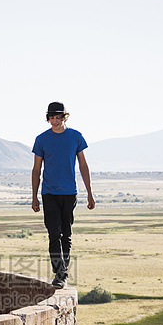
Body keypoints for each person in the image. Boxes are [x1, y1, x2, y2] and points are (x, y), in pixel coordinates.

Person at [31, 101, 95, 288]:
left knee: (66, 234)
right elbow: (36, 170)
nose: (54, 120)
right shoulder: (41, 139)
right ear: (48, 118)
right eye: (51, 117)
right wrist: (34, 196)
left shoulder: (75, 137)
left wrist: (90, 193)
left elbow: (83, 165)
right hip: (49, 192)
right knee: (54, 233)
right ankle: (60, 274)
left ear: (64, 117)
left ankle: (63, 273)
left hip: (69, 192)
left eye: (58, 117)